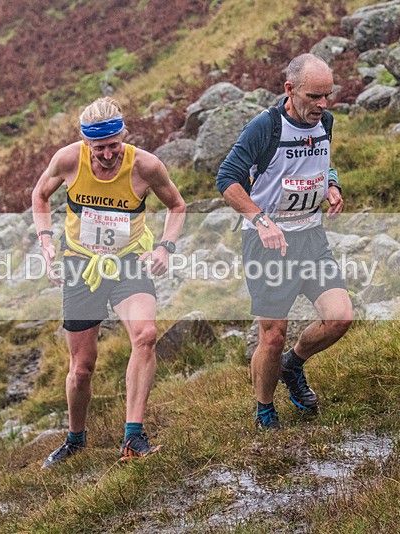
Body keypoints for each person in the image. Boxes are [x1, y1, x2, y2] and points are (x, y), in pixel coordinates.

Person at [32, 97, 186, 467]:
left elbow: (177, 206)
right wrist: (47, 243)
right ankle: (75, 438)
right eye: (98, 148)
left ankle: (133, 436)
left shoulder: (146, 166)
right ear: (86, 144)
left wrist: (165, 248)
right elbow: (40, 195)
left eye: (113, 145)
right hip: (80, 266)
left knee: (146, 335)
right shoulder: (68, 160)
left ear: (123, 136)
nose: (107, 155)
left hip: (128, 262)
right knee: (82, 367)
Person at [216, 53, 352, 429]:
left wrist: (332, 184)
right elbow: (226, 179)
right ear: (289, 90)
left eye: (328, 96)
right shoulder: (265, 127)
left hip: (310, 236)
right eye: (314, 96)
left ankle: (293, 366)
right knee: (272, 335)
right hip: (268, 245)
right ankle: (264, 409)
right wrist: (260, 220)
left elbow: (320, 159)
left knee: (340, 317)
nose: (322, 105)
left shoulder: (324, 120)